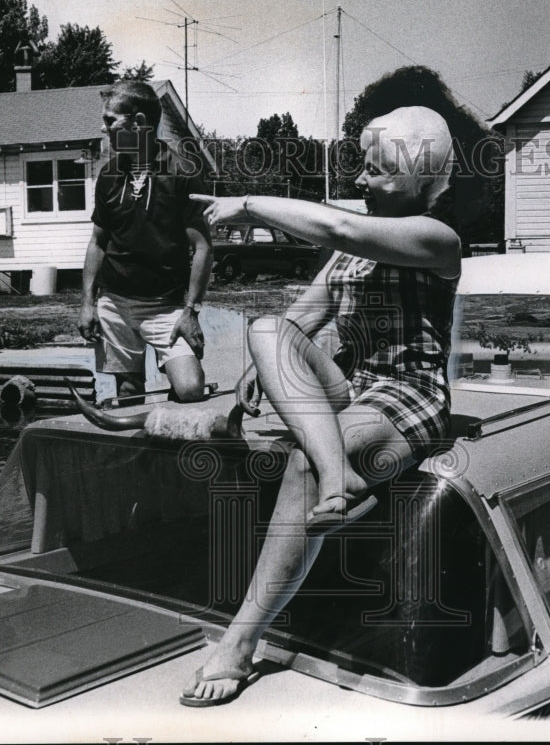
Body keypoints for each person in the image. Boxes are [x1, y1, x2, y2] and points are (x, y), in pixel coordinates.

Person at [180, 106, 460, 706]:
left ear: (421, 178)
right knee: (265, 329)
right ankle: (337, 474)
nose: (359, 181)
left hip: (412, 392)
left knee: (302, 464)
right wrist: (264, 365)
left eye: (376, 170)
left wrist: (249, 203)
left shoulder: (437, 238)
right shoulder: (350, 254)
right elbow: (305, 316)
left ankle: (240, 641)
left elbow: (340, 230)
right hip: (357, 390)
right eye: (362, 167)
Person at [79, 81, 212, 401]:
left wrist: (190, 311)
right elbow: (98, 242)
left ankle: (172, 428)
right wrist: (87, 303)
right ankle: (141, 447)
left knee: (190, 388)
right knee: (127, 393)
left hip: (166, 306)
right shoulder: (109, 175)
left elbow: (203, 247)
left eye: (111, 120)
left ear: (138, 123)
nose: (103, 127)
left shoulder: (181, 170)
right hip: (116, 304)